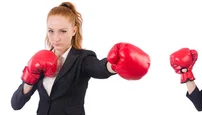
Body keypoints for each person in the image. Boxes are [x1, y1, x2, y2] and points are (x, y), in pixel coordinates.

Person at [11, 2, 151, 115]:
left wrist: (113, 65)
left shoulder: (82, 59)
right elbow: (15, 105)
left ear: (74, 30)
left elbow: (98, 68)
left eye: (63, 31)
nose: (56, 38)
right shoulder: (41, 59)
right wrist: (29, 78)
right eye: (51, 31)